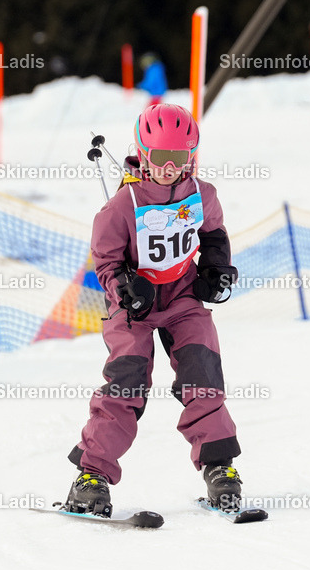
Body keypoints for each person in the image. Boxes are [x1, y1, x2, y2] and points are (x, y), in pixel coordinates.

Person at [63, 104, 244, 516]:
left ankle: (219, 468)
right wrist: (125, 286)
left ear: (191, 156)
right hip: (135, 308)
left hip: (181, 298)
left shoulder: (201, 194)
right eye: (159, 158)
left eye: (178, 159)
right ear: (142, 154)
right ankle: (90, 477)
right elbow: (106, 262)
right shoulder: (121, 206)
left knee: (202, 370)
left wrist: (215, 268)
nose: (168, 168)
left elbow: (213, 232)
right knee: (127, 382)